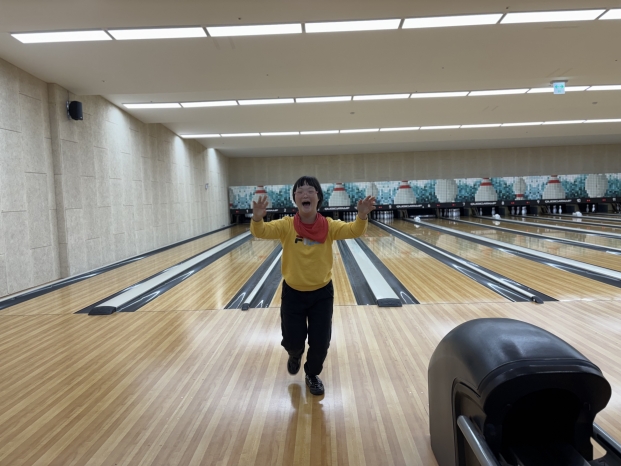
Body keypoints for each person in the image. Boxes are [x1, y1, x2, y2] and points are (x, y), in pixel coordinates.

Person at [250, 176, 375, 396]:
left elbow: (353, 230)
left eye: (310, 190)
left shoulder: (329, 226)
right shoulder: (286, 225)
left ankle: (312, 374)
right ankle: (295, 353)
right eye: (300, 191)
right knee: (293, 341)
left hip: (321, 294)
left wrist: (362, 216)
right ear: (295, 198)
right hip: (293, 293)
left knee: (320, 343)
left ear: (318, 197)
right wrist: (257, 219)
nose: (305, 194)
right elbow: (261, 232)